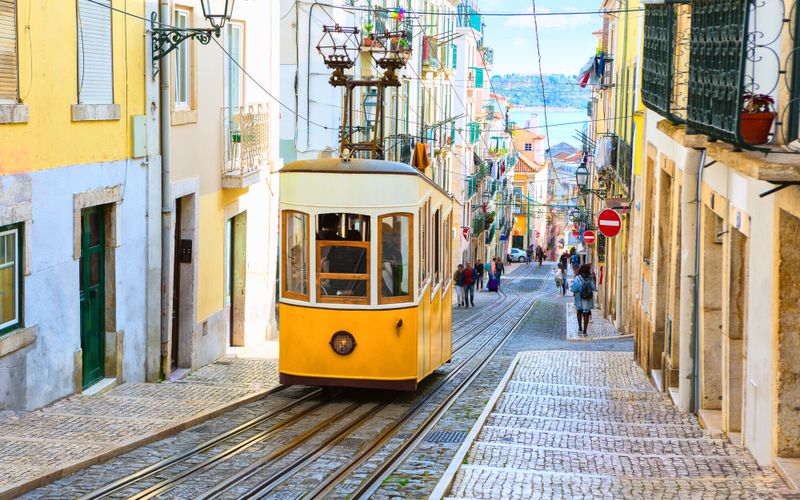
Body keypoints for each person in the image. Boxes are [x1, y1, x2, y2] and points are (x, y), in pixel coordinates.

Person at [570, 263, 596, 336]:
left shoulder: (578, 278)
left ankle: (580, 329)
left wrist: (577, 290)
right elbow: (594, 288)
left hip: (579, 298)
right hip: (587, 299)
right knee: (586, 314)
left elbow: (573, 289)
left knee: (579, 312)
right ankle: (585, 331)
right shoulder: (590, 278)